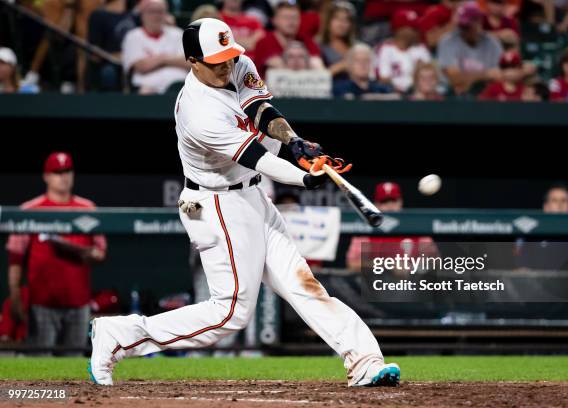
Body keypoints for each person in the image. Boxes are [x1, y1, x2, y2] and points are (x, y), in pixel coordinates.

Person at [89, 18, 400, 388]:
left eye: (228, 56)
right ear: (192, 60)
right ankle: (120, 335)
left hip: (252, 195)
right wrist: (303, 176)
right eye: (215, 60)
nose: (226, 65)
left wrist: (296, 143)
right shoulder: (198, 110)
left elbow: (262, 111)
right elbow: (258, 158)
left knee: (302, 282)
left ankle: (364, 361)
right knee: (231, 313)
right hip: (217, 203)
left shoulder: (236, 63)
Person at [5, 152, 107, 353]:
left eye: (67, 171)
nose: (63, 176)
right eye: (57, 172)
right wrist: (15, 295)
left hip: (78, 303)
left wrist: (79, 251)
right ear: (46, 176)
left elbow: (100, 253)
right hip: (42, 304)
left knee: (74, 368)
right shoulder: (30, 210)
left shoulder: (88, 208)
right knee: (39, 367)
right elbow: (15, 257)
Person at [346, 182, 437, 273]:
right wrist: (387, 265)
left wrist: (411, 267)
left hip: (412, 284)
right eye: (384, 202)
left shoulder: (415, 227)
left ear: (400, 202)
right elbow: (352, 264)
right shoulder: (367, 230)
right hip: (377, 283)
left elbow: (435, 262)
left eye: (393, 200)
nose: (390, 206)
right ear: (376, 205)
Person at [121, 0, 189, 94]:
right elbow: (141, 66)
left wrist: (158, 60)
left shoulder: (178, 33)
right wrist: (166, 58)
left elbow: (189, 62)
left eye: (160, 11)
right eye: (152, 11)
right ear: (142, 14)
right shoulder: (133, 36)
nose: (156, 16)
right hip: (147, 88)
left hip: (180, 86)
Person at [437, 1, 503, 95]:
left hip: (486, 95)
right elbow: (454, 77)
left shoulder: (492, 43)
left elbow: (500, 76)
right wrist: (486, 74)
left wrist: (467, 79)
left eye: (466, 27)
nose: (463, 30)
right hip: (453, 95)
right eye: (461, 26)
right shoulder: (448, 41)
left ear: (479, 22)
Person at [253, 2, 323, 76]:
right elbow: (272, 66)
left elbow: (318, 65)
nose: (291, 22)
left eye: (294, 18)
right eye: (286, 17)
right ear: (274, 20)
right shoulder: (264, 42)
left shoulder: (306, 40)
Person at [376, 9, 431, 94]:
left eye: (415, 28)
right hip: (391, 94)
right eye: (411, 28)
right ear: (399, 29)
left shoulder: (421, 49)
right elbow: (383, 78)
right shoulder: (385, 49)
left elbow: (428, 76)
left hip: (416, 94)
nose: (415, 32)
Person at [87, 0, 138, 91]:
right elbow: (94, 54)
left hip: (135, 63)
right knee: (108, 72)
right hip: (109, 66)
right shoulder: (98, 16)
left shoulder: (134, 16)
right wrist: (115, 56)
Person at [317, 1, 357, 79]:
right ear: (328, 22)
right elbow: (317, 77)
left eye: (346, 20)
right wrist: (340, 66)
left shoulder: (356, 46)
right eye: (337, 19)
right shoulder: (319, 47)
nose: (342, 24)